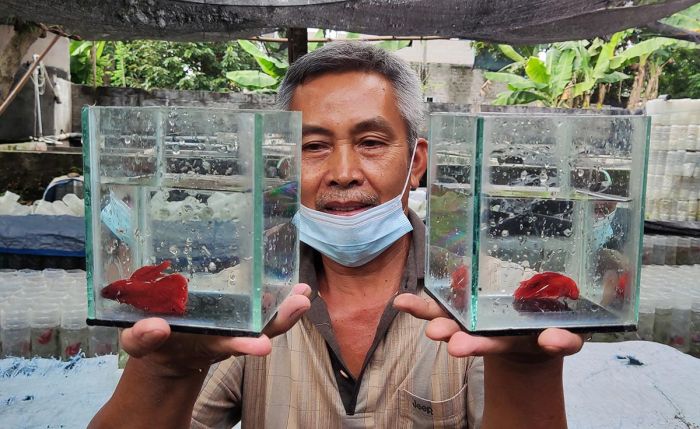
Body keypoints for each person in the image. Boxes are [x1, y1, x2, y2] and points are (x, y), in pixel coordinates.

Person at [89, 42, 583, 429]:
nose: (343, 172)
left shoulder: (488, 299)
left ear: (418, 164)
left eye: (371, 142)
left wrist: (526, 369)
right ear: (282, 164)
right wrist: (168, 371)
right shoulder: (240, 297)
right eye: (314, 146)